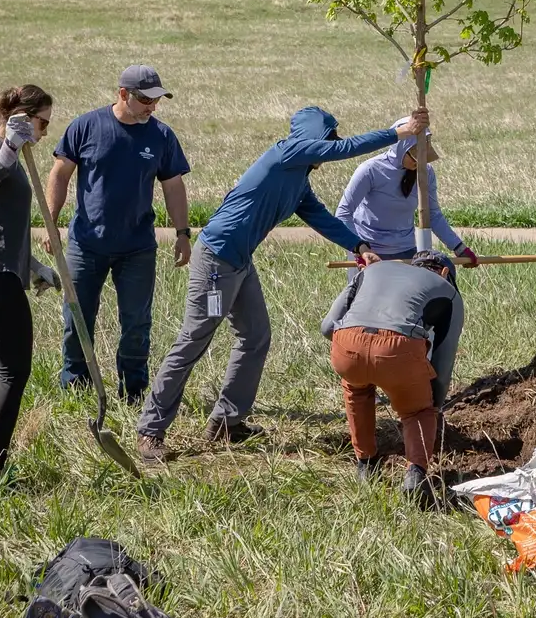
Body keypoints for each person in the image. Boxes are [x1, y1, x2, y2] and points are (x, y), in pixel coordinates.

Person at [136, 106, 428, 465]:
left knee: (256, 336)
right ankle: (151, 430)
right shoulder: (286, 152)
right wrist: (398, 131)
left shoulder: (298, 181)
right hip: (215, 261)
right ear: (312, 139)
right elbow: (343, 149)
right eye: (326, 141)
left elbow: (321, 217)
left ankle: (227, 422)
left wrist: (359, 247)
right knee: (194, 339)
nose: (328, 149)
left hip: (239, 263)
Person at [45, 64, 191, 405]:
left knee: (137, 323)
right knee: (77, 317)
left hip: (138, 247)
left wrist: (183, 233)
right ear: (122, 94)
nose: (151, 107)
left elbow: (173, 186)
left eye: (156, 100)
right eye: (145, 99)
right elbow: (60, 173)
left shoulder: (162, 136)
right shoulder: (86, 127)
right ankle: (76, 387)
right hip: (86, 244)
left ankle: (134, 391)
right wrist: (50, 221)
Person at [0, 85, 61, 493]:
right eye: (43, 122)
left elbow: (0, 226)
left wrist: (34, 267)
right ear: (22, 117)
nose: (46, 131)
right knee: (13, 373)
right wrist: (9, 147)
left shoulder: (16, 159)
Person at [321, 250, 464, 502]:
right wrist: (434, 404)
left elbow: (327, 327)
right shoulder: (447, 290)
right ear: (444, 273)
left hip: (347, 343)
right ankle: (415, 474)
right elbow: (444, 359)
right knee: (417, 411)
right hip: (397, 349)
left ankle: (366, 464)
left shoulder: (372, 270)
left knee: (356, 389)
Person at [335, 125, 479, 265]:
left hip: (406, 251)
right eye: (414, 156)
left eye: (423, 157)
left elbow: (433, 215)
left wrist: (459, 248)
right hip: (370, 252)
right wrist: (360, 250)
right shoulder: (370, 170)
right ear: (401, 149)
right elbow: (343, 213)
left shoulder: (426, 172)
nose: (419, 162)